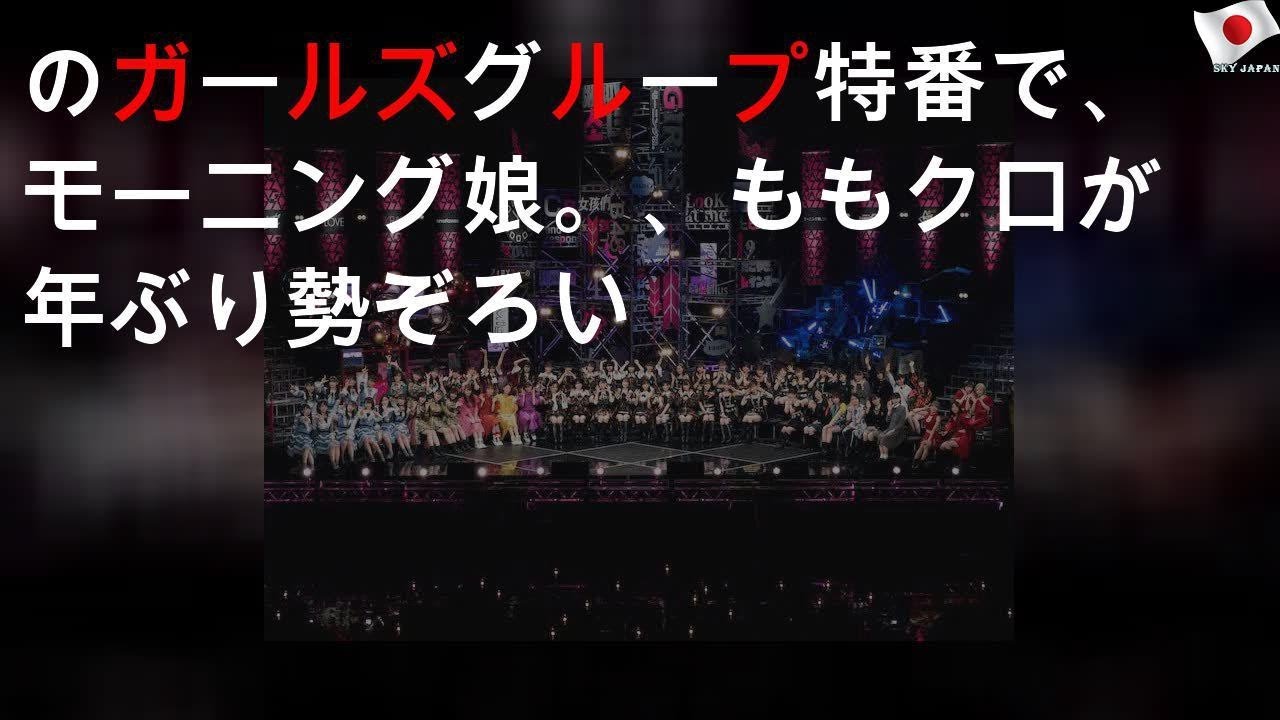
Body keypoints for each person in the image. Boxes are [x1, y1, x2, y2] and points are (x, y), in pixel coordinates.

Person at [877, 394, 908, 461]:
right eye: (893, 399)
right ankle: (881, 455)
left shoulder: (902, 408)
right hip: (890, 428)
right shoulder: (892, 408)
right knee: (880, 436)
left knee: (885, 437)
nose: (894, 400)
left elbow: (901, 423)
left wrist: (893, 430)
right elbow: (887, 420)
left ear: (899, 399)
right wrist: (889, 411)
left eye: (896, 398)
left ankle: (886, 455)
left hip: (899, 430)